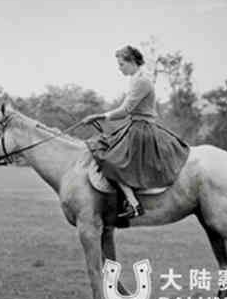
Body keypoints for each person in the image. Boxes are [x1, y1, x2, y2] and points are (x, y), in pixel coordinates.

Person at [80, 45, 190, 219]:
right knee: (106, 150)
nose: (119, 68)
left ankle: (134, 204)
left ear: (132, 62)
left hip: (142, 130)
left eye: (121, 64)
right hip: (135, 126)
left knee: (111, 161)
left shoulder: (142, 81)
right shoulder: (136, 79)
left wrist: (99, 116)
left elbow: (125, 110)